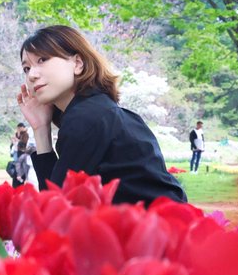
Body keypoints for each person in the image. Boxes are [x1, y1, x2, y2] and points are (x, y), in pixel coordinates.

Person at [16, 24, 186, 206]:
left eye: (42, 60)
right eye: (26, 68)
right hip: (162, 225)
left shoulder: (86, 117)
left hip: (156, 229)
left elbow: (56, 206)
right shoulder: (99, 111)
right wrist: (41, 128)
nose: (32, 75)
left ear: (78, 64)